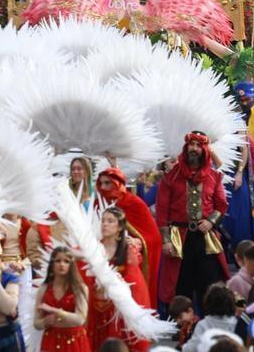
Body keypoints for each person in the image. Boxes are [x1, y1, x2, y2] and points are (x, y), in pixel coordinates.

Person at [156, 131, 229, 310]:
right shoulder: (171, 176)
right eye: (191, 145)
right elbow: (162, 210)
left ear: (204, 149)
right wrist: (166, 240)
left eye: (198, 145)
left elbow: (221, 205)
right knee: (181, 283)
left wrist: (211, 222)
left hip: (205, 237)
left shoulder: (214, 176)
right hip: (179, 238)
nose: (194, 149)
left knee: (210, 280)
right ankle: (182, 324)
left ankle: (212, 320)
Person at [94, 167, 161, 308]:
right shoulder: (97, 204)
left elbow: (154, 237)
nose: (103, 187)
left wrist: (139, 241)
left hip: (127, 260)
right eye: (101, 183)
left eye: (108, 183)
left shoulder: (133, 203)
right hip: (102, 258)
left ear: (117, 183)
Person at [86, 207, 150, 351]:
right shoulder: (94, 248)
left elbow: (135, 284)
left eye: (110, 221)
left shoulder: (128, 251)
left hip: (118, 310)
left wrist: (118, 283)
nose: (104, 224)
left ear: (120, 226)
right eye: (103, 221)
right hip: (96, 306)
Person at [34, 246, 89, 352]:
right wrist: (45, 321)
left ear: (71, 265)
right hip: (51, 341)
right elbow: (36, 324)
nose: (62, 264)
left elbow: (80, 319)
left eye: (66, 261)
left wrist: (54, 311)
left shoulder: (79, 288)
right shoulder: (43, 289)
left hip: (75, 343)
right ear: (52, 264)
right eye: (58, 261)